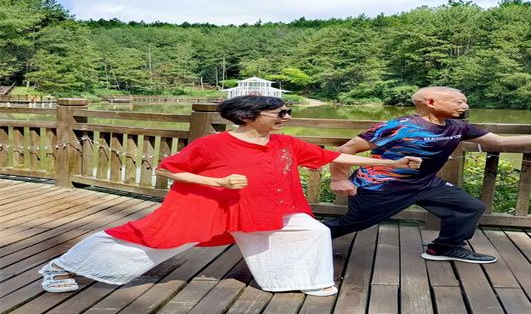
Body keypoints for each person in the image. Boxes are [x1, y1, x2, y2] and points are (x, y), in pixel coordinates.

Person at [39, 95, 421, 296]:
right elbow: (167, 169)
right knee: (152, 241)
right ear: (249, 117)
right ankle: (61, 267)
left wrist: (393, 163)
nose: (286, 117)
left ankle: (302, 278)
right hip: (211, 207)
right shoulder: (213, 145)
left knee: (312, 231)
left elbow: (332, 156)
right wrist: (218, 183)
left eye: (286, 111)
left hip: (265, 209)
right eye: (279, 113)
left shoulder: (285, 143)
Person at [325, 86, 531, 264]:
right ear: (431, 102)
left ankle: (444, 247)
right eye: (459, 101)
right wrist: (339, 178)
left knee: (469, 208)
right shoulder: (399, 126)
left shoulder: (458, 127)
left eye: (464, 101)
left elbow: (501, 141)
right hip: (383, 186)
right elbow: (346, 149)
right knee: (352, 224)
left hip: (426, 183)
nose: (465, 105)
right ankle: (306, 242)